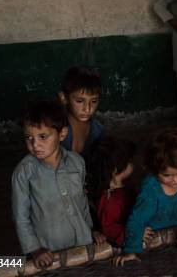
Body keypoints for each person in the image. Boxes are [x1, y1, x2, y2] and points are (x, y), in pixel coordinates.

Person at [12, 99, 104, 270]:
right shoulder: (24, 172)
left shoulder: (77, 162)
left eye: (43, 137)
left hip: (81, 242)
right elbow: (20, 215)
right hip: (48, 251)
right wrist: (34, 249)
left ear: (62, 134)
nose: (35, 145)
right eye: (28, 138)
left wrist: (91, 230)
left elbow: (82, 201)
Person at [113, 126, 177, 265]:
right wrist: (131, 250)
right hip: (155, 232)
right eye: (167, 175)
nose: (175, 180)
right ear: (155, 170)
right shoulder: (150, 188)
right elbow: (137, 219)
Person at [86, 136, 137, 248]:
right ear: (115, 170)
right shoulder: (110, 200)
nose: (133, 164)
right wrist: (135, 234)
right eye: (130, 161)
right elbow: (108, 227)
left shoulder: (126, 185)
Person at [58, 66, 104, 156]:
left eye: (94, 101)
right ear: (63, 98)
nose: (87, 108)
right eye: (79, 101)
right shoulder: (55, 130)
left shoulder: (97, 131)